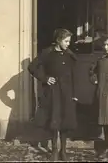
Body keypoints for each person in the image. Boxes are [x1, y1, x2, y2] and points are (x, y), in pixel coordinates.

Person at [28, 28, 78, 161]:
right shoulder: (47, 53)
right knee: (54, 121)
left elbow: (75, 74)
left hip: (67, 92)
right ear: (58, 40)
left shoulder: (70, 55)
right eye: (66, 41)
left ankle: (64, 151)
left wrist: (74, 93)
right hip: (53, 92)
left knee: (65, 121)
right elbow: (32, 67)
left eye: (69, 41)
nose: (68, 44)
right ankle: (54, 150)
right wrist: (45, 78)